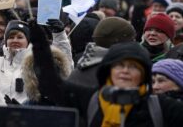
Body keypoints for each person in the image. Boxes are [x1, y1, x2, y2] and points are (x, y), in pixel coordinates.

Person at [31, 26, 183, 127]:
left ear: (143, 75)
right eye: (119, 65)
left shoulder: (160, 107)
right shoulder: (92, 100)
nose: (125, 71)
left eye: (133, 67)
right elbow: (50, 85)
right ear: (109, 70)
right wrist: (40, 45)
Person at [0, 3, 72, 120]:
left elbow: (63, 66)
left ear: (28, 41)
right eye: (11, 37)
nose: (14, 40)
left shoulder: (37, 64)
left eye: (20, 37)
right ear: (5, 41)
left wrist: (59, 35)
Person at [67, 17, 136, 87]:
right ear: (119, 42)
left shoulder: (79, 70)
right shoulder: (117, 75)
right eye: (132, 40)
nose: (135, 44)